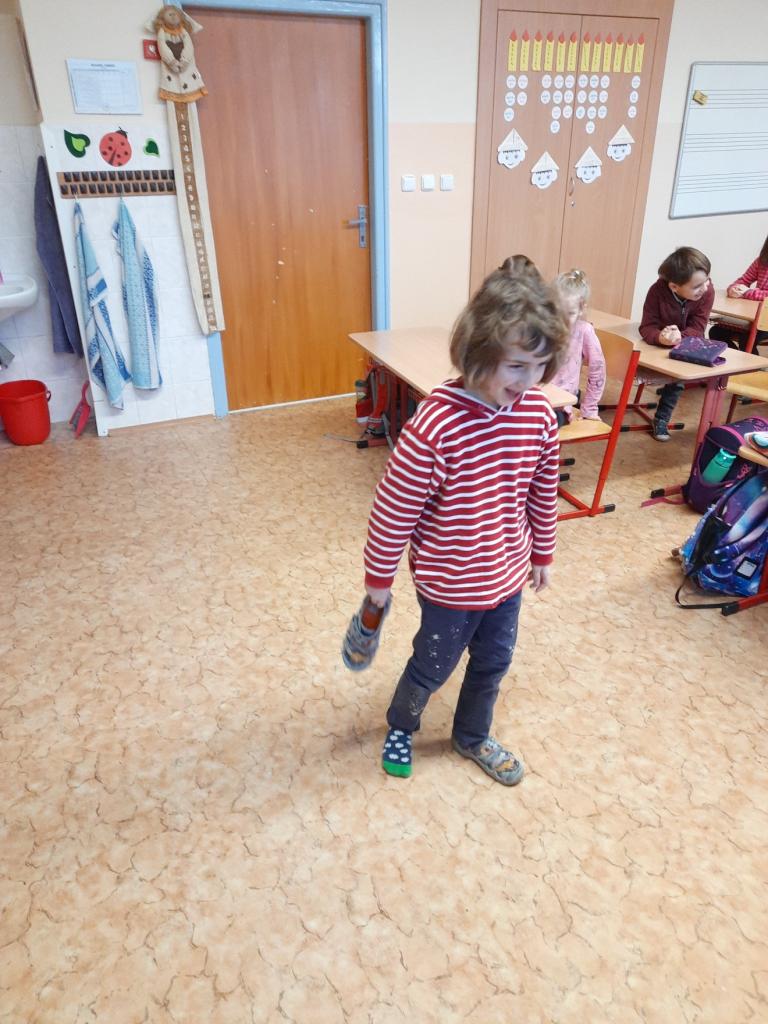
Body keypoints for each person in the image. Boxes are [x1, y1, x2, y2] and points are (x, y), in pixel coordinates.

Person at [361, 259, 569, 785]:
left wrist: (542, 552)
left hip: (506, 573)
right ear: (480, 352)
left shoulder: (539, 416)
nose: (528, 381)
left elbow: (542, 491)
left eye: (539, 366)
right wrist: (378, 584)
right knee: (433, 664)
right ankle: (401, 725)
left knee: (493, 662)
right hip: (450, 580)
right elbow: (393, 511)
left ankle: (471, 736)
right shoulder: (437, 424)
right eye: (515, 366)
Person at [639, 246, 714, 442]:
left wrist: (680, 337)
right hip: (659, 345)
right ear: (674, 287)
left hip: (686, 344)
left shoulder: (707, 292)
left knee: (677, 379)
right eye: (697, 286)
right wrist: (661, 337)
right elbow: (647, 326)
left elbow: (698, 327)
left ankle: (662, 418)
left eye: (707, 281)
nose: (704, 288)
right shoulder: (657, 291)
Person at [550, 269, 606, 427]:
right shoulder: (544, 325)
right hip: (537, 397)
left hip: (560, 406)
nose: (562, 319)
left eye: (569, 313)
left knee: (538, 424)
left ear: (581, 309)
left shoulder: (584, 331)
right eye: (557, 311)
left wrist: (589, 407)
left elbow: (597, 370)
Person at [709, 235, 768, 349]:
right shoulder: (762, 260)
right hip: (754, 317)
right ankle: (733, 358)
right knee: (716, 332)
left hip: (764, 321)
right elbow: (743, 280)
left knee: (746, 339)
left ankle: (748, 361)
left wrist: (747, 292)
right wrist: (733, 289)